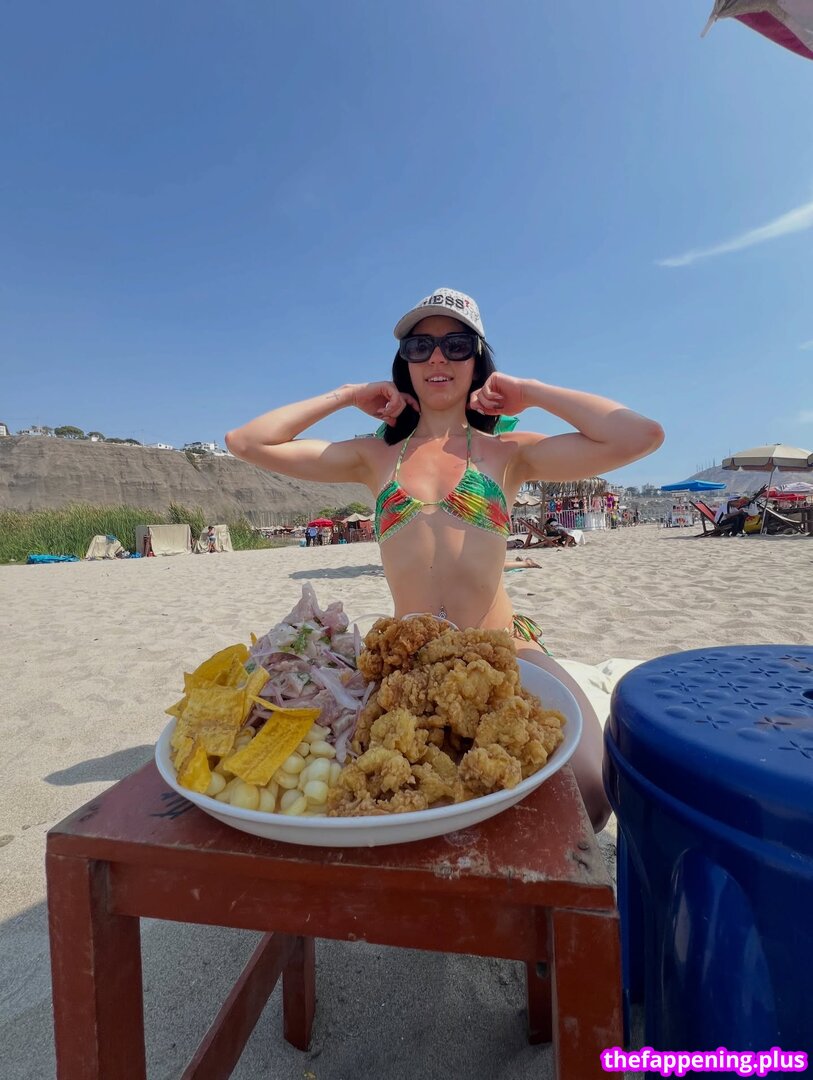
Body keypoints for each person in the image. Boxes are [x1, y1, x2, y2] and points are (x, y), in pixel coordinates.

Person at [225, 286, 664, 831]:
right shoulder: (374, 457)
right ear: (404, 363)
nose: (437, 358)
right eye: (420, 346)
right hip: (409, 665)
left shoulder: (508, 452)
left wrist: (530, 391)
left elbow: (641, 435)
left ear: (477, 360)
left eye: (456, 345)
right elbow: (246, 442)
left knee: (592, 796)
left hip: (505, 649)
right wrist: (348, 394)